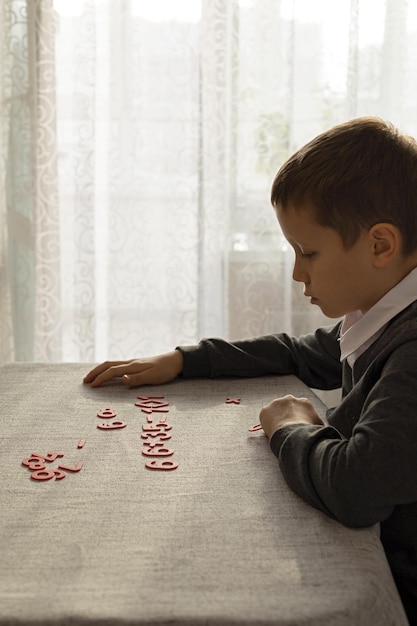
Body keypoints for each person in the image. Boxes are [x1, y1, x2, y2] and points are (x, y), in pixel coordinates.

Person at [84, 117, 417, 624]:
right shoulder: (384, 313)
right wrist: (185, 359)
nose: (297, 273)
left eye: (308, 252)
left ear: (379, 245)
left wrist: (290, 428)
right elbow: (298, 352)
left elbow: (357, 487)